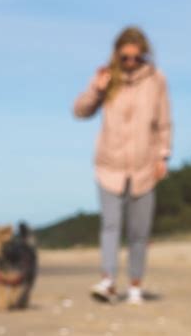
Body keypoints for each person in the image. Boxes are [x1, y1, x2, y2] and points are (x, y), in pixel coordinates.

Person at [73, 26, 172, 304]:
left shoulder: (156, 80)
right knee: (110, 225)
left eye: (136, 58)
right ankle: (107, 282)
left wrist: (163, 156)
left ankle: (135, 286)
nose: (130, 63)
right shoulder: (106, 77)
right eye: (125, 58)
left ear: (144, 55)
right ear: (117, 55)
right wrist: (96, 90)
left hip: (144, 166)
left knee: (139, 232)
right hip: (109, 164)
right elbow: (79, 111)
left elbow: (164, 123)